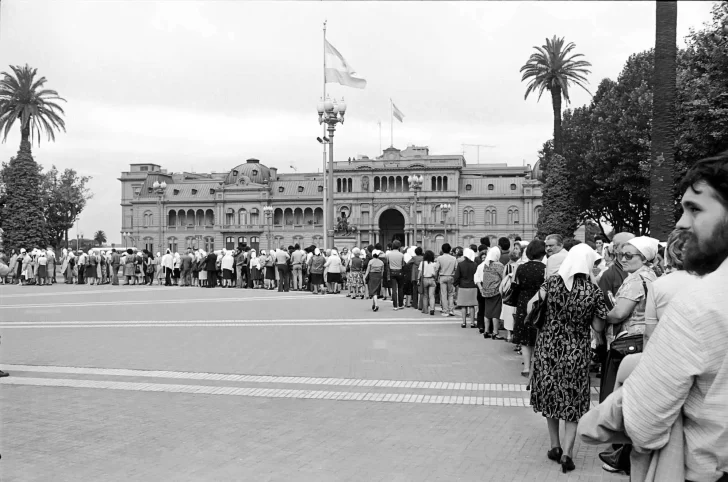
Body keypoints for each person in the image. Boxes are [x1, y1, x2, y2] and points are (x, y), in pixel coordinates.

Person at [582, 151, 728, 482]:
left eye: (695, 209)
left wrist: (595, 423)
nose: (681, 222)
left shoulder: (700, 303)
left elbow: (645, 420)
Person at [529, 244, 608, 473]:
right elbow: (598, 325)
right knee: (572, 398)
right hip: (576, 352)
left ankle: (554, 446)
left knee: (550, 394)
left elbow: (531, 306)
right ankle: (568, 453)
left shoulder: (551, 283)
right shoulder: (593, 291)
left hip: (548, 348)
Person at [644, 229, 694, 345]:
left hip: (669, 352)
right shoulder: (714, 281)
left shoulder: (658, 286)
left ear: (669, 252)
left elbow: (649, 334)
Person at [512, 240, 546, 378]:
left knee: (525, 336)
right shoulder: (545, 268)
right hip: (540, 302)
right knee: (538, 333)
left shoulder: (521, 268)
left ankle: (526, 367)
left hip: (523, 302)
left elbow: (515, 286)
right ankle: (536, 366)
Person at [475, 247, 505, 339]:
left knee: (487, 312)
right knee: (496, 312)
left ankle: (486, 331)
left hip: (486, 291)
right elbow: (503, 277)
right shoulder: (499, 265)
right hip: (496, 291)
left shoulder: (486, 264)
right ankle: (495, 332)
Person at [500, 241, 523, 341]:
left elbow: (503, 279)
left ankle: (509, 335)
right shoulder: (522, 265)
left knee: (508, 313)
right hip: (518, 292)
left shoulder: (508, 266)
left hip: (509, 292)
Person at [454, 248, 478, 328]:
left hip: (463, 286)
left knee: (463, 305)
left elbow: (457, 276)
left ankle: (464, 323)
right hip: (473, 286)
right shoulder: (475, 264)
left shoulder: (460, 264)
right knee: (472, 306)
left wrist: (455, 284)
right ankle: (472, 323)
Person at [437, 243, 457, 317]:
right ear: (450, 250)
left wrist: (436, 277)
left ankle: (445, 310)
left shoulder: (439, 258)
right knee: (451, 294)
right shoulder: (454, 258)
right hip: (451, 276)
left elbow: (437, 268)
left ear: (442, 249)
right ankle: (451, 310)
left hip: (442, 276)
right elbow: (456, 268)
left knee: (443, 294)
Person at [387, 240, 406, 310]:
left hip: (392, 272)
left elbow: (388, 263)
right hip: (400, 271)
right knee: (400, 288)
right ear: (399, 246)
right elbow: (403, 264)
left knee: (394, 289)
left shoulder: (389, 254)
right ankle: (400, 304)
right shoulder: (401, 255)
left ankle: (395, 305)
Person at [419, 250, 438, 315]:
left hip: (425, 279)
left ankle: (425, 310)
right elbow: (435, 274)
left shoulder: (423, 263)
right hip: (432, 279)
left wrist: (418, 279)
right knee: (432, 296)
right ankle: (432, 309)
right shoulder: (434, 264)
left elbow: (420, 273)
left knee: (425, 296)